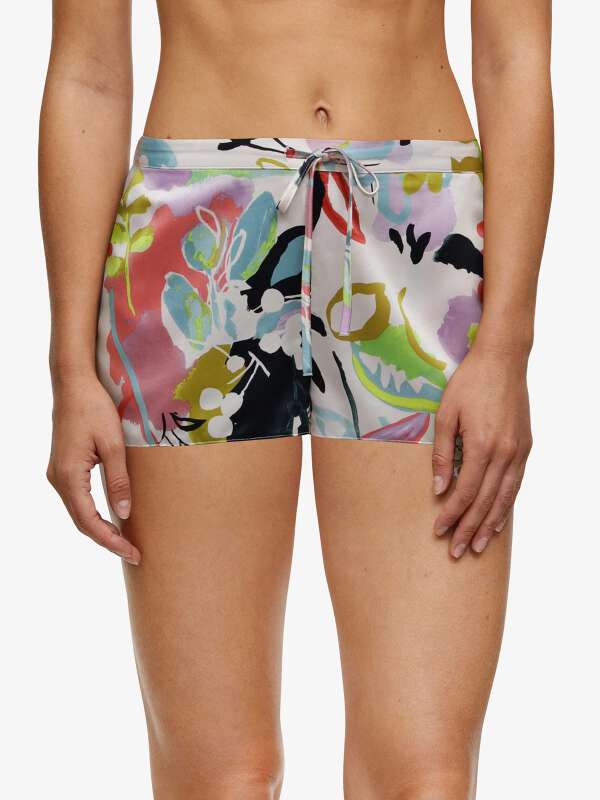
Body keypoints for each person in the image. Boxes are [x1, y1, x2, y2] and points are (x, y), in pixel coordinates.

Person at [39, 1, 553, 798]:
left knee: (425, 778)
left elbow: (513, 58)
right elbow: (90, 73)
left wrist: (508, 347)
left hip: (418, 226)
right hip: (198, 228)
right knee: (222, 780)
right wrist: (69, 368)